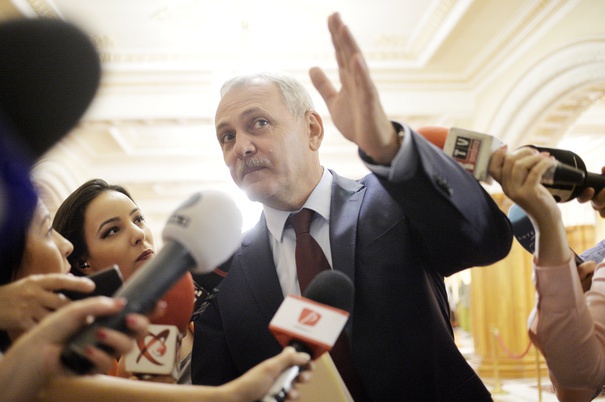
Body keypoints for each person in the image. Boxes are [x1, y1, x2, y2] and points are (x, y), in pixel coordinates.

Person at [191, 12, 513, 401]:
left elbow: (486, 241)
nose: (241, 146)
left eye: (258, 123)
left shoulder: (392, 198)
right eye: (227, 136)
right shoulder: (222, 274)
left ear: (312, 130)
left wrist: (389, 148)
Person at [490, 148, 605, 401]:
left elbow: (579, 379)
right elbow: (574, 390)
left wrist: (547, 221)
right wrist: (572, 298)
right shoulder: (594, 263)